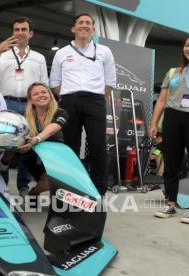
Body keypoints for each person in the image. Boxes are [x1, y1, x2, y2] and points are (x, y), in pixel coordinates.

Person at [49, 13, 116, 196]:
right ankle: (72, 188)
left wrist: (97, 98)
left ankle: (98, 191)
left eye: (88, 23)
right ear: (73, 28)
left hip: (95, 100)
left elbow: (110, 81)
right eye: (80, 22)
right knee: (70, 146)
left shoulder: (104, 51)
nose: (84, 25)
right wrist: (67, 97)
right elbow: (54, 82)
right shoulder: (62, 53)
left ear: (93, 29)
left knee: (98, 145)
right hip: (69, 101)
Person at [150, 32, 189, 225]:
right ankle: (170, 203)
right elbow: (161, 100)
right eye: (187, 45)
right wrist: (154, 123)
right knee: (171, 162)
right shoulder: (173, 72)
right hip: (173, 117)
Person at [0, 17, 49, 196]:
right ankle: (3, 184)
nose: (20, 33)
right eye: (16, 29)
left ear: (30, 33)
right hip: (6, 102)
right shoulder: (3, 54)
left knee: (26, 145)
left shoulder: (39, 57)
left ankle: (23, 185)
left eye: (24, 29)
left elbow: (44, 83)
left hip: (30, 104)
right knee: (4, 144)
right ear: (13, 32)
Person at [15, 83, 68, 195]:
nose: (41, 95)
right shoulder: (22, 116)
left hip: (54, 155)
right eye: (36, 94)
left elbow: (53, 128)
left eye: (44, 92)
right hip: (32, 156)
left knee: (55, 182)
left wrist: (36, 139)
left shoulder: (61, 112)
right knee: (49, 182)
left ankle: (33, 193)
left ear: (50, 95)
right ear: (30, 100)